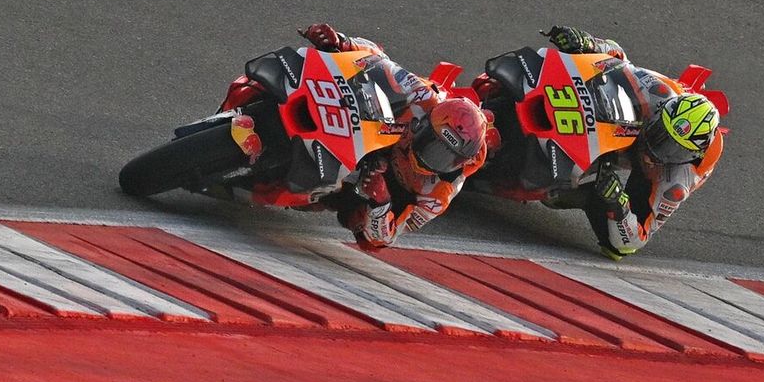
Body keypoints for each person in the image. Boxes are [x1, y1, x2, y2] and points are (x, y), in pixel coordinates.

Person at [220, 23, 489, 250]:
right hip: (373, 124)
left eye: (445, 158)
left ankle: (289, 189)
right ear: (426, 126)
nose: (434, 159)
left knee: (360, 224)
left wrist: (381, 202)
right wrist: (341, 41)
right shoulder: (423, 97)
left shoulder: (440, 193)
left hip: (378, 183)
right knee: (307, 71)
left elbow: (385, 239)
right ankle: (233, 113)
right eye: (433, 145)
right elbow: (379, 60)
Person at [474, 26, 724, 261]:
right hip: (641, 123)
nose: (658, 146)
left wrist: (618, 202)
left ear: (688, 154)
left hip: (651, 178)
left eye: (672, 148)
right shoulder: (658, 93)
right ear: (662, 114)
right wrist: (586, 42)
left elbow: (632, 242)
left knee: (612, 237)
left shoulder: (677, 180)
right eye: (660, 133)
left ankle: (574, 193)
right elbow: (618, 60)